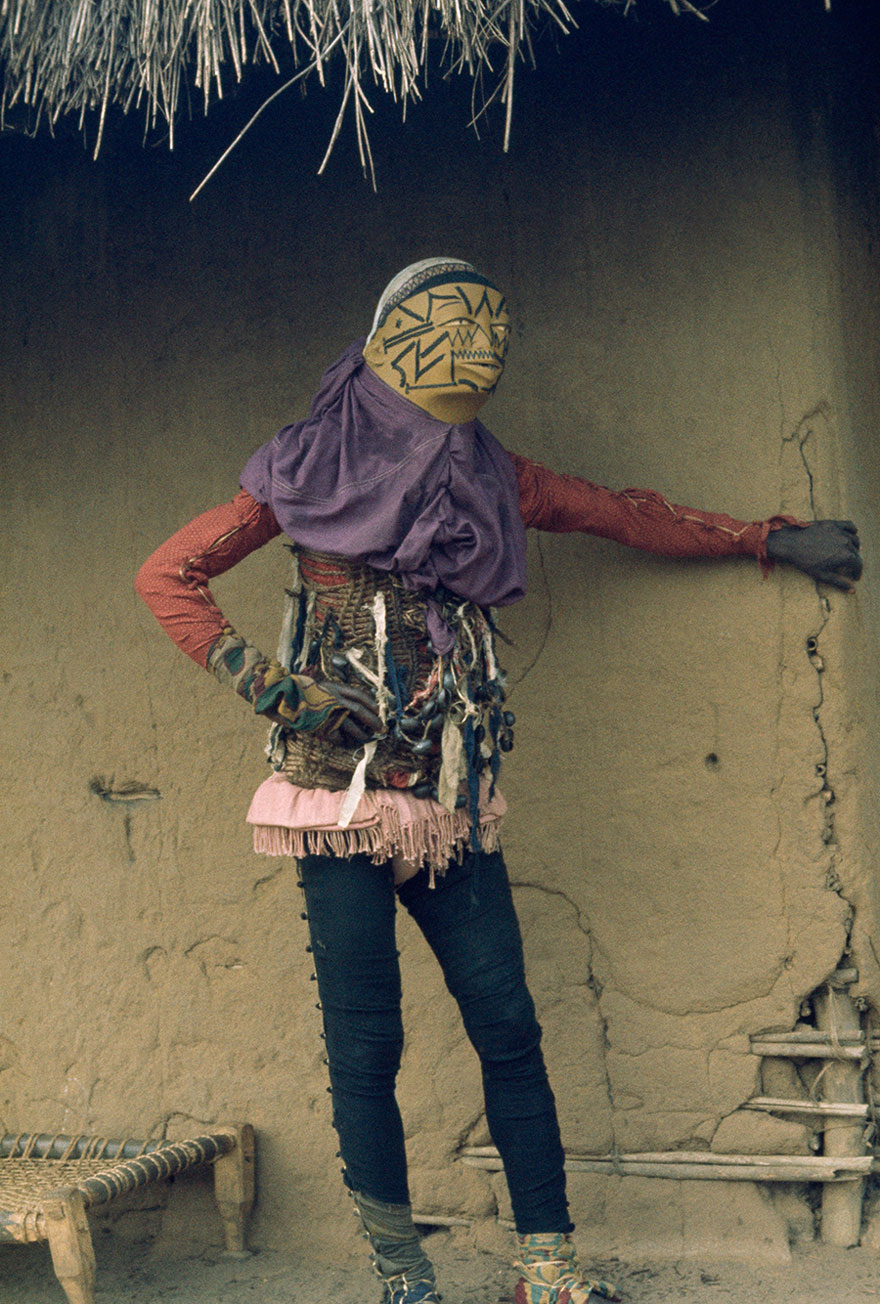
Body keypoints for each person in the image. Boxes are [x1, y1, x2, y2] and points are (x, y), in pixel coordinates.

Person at [135, 257, 862, 1304]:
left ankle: (548, 1272)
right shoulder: (302, 473)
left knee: (508, 1024)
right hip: (334, 805)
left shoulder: (490, 477)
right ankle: (404, 1281)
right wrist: (275, 690)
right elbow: (169, 573)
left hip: (453, 801)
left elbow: (618, 513)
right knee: (366, 1041)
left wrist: (762, 539)